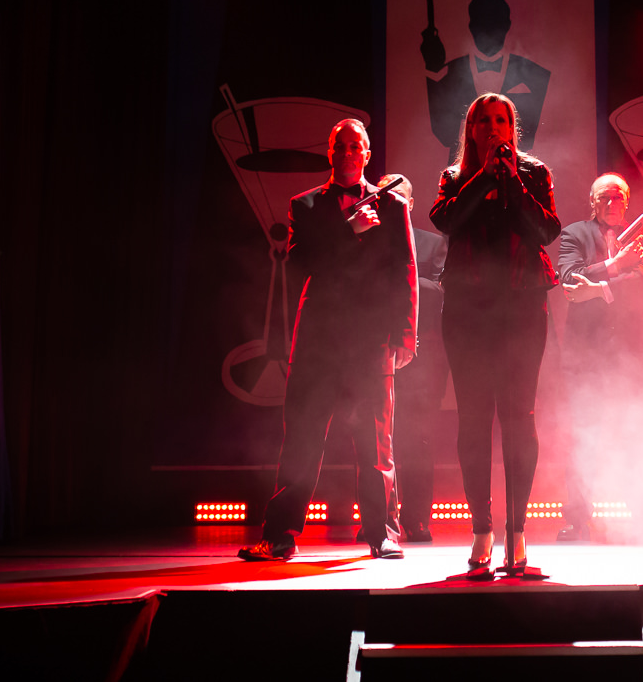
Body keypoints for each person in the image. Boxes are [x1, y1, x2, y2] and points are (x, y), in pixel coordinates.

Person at [240, 120, 417, 562]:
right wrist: (347, 229)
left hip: (372, 340)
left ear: (367, 153)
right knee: (301, 439)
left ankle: (383, 534)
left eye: (355, 147)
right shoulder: (306, 204)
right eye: (340, 147)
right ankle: (280, 536)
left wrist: (406, 334)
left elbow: (405, 270)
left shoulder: (393, 205)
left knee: (375, 443)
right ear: (330, 153)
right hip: (318, 339)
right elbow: (297, 265)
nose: (347, 154)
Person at [430, 92, 562, 580]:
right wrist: (484, 176)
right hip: (468, 310)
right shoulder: (454, 177)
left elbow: (547, 230)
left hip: (522, 307)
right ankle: (482, 531)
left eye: (501, 120)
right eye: (482, 120)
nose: (492, 128)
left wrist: (511, 182)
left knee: (519, 417)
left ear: (512, 129)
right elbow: (444, 220)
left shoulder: (535, 173)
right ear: (471, 130)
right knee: (473, 419)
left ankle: (517, 533)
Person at [553, 173, 643, 540]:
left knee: (638, 430)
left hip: (634, 351)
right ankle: (577, 518)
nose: (612, 204)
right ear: (592, 201)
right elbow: (570, 279)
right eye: (604, 198)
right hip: (586, 351)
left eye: (618, 197)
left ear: (627, 201)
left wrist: (599, 289)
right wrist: (617, 266)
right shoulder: (573, 234)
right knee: (582, 432)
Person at [422, 0, 552, 157]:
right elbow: (444, 134)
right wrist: (432, 68)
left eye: (495, 23)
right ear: (471, 26)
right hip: (466, 167)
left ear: (507, 25)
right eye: (481, 22)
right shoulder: (448, 73)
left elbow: (530, 135)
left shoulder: (534, 74)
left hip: (513, 166)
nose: (488, 31)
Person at [393, 212, 450, 540]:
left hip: (424, 353)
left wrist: (401, 274)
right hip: (374, 349)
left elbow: (442, 288)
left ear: (410, 203)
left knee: (418, 437)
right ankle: (378, 517)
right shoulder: (363, 237)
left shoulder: (432, 242)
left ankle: (416, 518)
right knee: (373, 437)